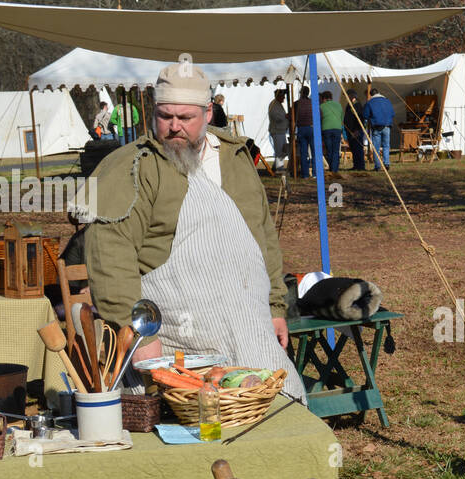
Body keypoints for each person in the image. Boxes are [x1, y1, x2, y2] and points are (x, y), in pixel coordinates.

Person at [84, 62, 305, 400]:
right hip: (177, 341)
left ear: (208, 112)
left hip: (250, 328)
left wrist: (276, 308)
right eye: (164, 116)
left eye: (185, 118)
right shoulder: (131, 167)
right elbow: (109, 255)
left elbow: (263, 238)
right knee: (196, 419)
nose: (174, 127)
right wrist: (139, 333)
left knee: (277, 409)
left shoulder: (234, 156)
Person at [361, 89, 394, 170]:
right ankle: (386, 163)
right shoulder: (387, 101)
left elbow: (365, 115)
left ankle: (377, 166)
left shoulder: (370, 102)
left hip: (376, 126)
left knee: (376, 147)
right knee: (386, 145)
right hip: (387, 126)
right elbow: (393, 113)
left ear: (371, 95)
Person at [318, 90, 345, 173]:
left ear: (324, 98)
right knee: (336, 150)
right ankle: (335, 169)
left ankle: (331, 168)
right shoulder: (339, 105)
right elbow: (341, 118)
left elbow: (320, 119)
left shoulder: (321, 106)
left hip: (326, 129)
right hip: (337, 128)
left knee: (329, 149)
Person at [293, 87, 315, 177]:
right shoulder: (313, 103)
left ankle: (305, 174)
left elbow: (291, 115)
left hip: (301, 129)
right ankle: (315, 174)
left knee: (303, 152)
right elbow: (320, 115)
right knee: (314, 152)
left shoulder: (297, 104)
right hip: (311, 128)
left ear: (301, 93)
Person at [267, 87, 290, 171]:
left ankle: (275, 166)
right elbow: (275, 116)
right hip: (277, 131)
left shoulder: (278, 104)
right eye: (282, 96)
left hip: (281, 131)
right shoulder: (273, 104)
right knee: (279, 151)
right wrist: (285, 116)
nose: (284, 98)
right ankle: (279, 168)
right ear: (278, 96)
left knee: (283, 151)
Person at [344, 89, 367, 170]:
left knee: (358, 149)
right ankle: (356, 165)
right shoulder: (349, 105)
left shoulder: (357, 105)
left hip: (356, 130)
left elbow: (360, 119)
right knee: (353, 148)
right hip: (350, 130)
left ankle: (360, 166)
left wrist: (357, 130)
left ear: (352, 96)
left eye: (348, 96)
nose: (346, 97)